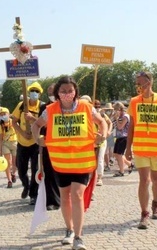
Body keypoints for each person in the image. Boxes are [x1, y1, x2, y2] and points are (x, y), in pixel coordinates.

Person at [31, 76, 107, 250]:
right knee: (64, 198)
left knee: (77, 195)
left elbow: (102, 122)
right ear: (57, 92)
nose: (67, 94)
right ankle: (69, 230)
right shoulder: (50, 110)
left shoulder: (87, 107)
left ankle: (79, 237)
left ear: (75, 92)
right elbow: (36, 126)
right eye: (63, 91)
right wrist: (38, 139)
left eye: (70, 91)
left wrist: (103, 134)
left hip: (82, 162)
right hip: (60, 163)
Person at [124, 71, 157, 230]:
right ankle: (144, 213)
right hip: (140, 147)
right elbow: (131, 126)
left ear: (149, 83)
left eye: (141, 82)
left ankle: (156, 203)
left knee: (156, 179)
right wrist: (128, 147)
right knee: (144, 180)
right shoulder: (134, 101)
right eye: (137, 82)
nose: (138, 85)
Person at [12, 81, 44, 205]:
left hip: (35, 143)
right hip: (22, 142)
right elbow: (14, 121)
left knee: (36, 170)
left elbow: (44, 123)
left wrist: (33, 119)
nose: (34, 93)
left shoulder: (42, 106)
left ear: (40, 94)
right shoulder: (21, 105)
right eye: (32, 91)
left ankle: (33, 195)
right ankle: (26, 185)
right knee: (21, 169)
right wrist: (21, 132)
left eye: (37, 91)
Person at [38, 83, 60, 210]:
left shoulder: (66, 106)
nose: (52, 96)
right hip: (48, 143)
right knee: (50, 172)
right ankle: (52, 200)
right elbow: (40, 125)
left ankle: (64, 197)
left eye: (53, 93)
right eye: (49, 93)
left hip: (63, 144)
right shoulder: (44, 107)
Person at [0, 107, 18, 188]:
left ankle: (13, 173)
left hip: (14, 142)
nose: (3, 116)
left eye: (4, 114)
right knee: (8, 162)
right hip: (6, 143)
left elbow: (18, 132)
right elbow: (0, 137)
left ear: (8, 114)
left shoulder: (13, 122)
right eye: (1, 114)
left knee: (14, 162)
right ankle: (9, 180)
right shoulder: (0, 124)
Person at [112, 102, 130, 177]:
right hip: (118, 137)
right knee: (116, 154)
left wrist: (116, 118)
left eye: (116, 110)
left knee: (119, 155)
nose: (115, 111)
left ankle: (121, 171)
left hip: (124, 137)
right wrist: (114, 118)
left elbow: (120, 127)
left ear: (120, 109)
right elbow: (114, 124)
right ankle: (130, 164)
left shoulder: (125, 116)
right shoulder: (119, 116)